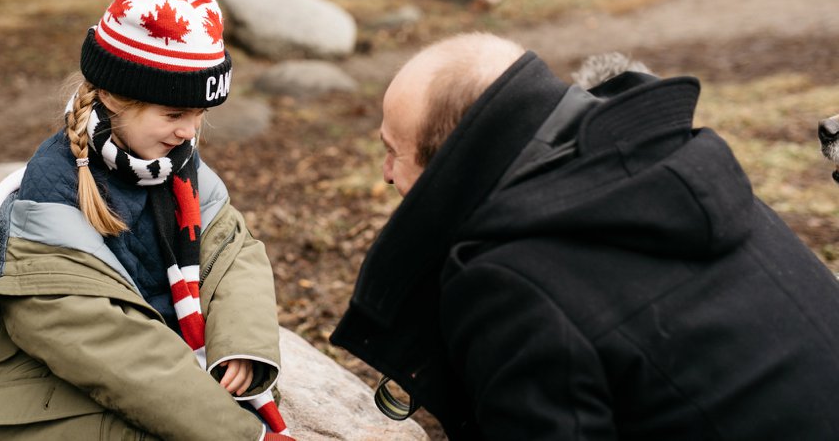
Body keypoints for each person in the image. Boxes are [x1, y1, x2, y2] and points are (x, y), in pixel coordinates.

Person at [0, 0, 292, 440]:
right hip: (57, 410)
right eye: (175, 113)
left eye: (199, 115)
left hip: (159, 379)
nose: (189, 131)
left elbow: (234, 253)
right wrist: (236, 431)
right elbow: (113, 352)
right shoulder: (44, 208)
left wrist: (241, 346)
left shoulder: (176, 170)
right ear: (118, 98)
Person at [331, 32, 839, 440]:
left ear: (451, 167)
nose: (386, 174)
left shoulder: (510, 287)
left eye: (394, 150)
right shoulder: (679, 173)